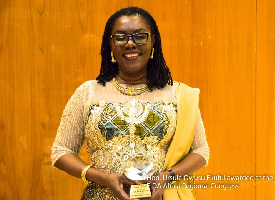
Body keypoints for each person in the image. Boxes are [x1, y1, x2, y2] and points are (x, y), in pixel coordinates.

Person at [51, 7, 209, 200]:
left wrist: (166, 178)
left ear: (153, 41)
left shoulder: (179, 95)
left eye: (140, 36)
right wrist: (102, 178)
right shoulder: (88, 92)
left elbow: (201, 151)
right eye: (120, 37)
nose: (130, 44)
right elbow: (61, 152)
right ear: (110, 44)